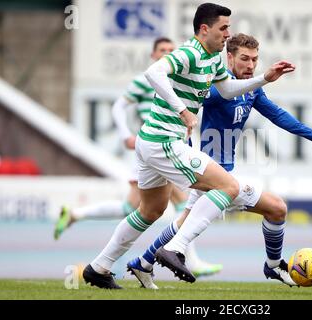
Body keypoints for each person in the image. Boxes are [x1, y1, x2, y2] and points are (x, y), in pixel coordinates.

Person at [82, 2, 296, 289]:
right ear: (204, 29)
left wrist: (263, 79)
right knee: (227, 187)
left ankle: (99, 267)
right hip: (164, 141)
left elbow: (228, 89)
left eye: (229, 27)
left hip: (151, 140)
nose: (227, 33)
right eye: (223, 28)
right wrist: (183, 109)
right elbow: (153, 73)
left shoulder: (216, 57)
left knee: (150, 211)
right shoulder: (189, 52)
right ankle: (175, 248)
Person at [128, 33, 312, 288]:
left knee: (185, 222)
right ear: (229, 57)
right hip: (210, 174)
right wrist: (183, 152)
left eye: (255, 59)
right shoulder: (214, 89)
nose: (251, 65)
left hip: (222, 174)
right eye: (244, 59)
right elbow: (185, 114)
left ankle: (142, 264)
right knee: (276, 207)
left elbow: (277, 115)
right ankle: (273, 265)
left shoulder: (251, 90)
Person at [53, 37, 222, 280]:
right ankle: (186, 257)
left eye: (170, 50)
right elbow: (118, 106)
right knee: (180, 203)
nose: (167, 53)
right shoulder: (146, 81)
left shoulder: (181, 77)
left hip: (169, 145)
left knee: (136, 208)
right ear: (153, 55)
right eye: (162, 50)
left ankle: (77, 218)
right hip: (157, 146)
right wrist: (124, 134)